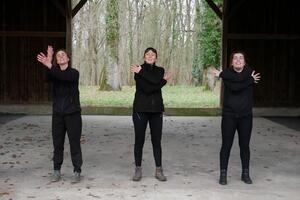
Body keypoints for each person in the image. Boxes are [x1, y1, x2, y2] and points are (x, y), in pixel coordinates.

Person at [212, 51, 260, 185]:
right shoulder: (228, 73)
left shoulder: (248, 72)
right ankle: (223, 173)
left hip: (245, 116)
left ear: (245, 62)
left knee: (244, 146)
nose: (238, 60)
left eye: (241, 58)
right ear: (232, 61)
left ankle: (245, 173)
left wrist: (222, 75)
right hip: (229, 115)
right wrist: (249, 81)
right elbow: (235, 87)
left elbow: (238, 83)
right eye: (235, 58)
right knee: (226, 145)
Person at [37, 46, 83, 183]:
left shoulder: (74, 73)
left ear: (68, 58)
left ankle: (77, 171)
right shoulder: (54, 72)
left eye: (63, 55)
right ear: (56, 60)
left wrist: (50, 64)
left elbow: (64, 76)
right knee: (57, 144)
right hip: (58, 114)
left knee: (74, 143)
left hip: (73, 114)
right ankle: (56, 170)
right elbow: (48, 77)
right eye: (58, 56)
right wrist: (49, 61)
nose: (61, 57)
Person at [130, 47, 171, 181]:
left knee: (156, 141)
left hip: (156, 111)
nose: (150, 56)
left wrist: (147, 75)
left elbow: (153, 81)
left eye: (153, 54)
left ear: (156, 57)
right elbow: (147, 88)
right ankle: (138, 169)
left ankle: (158, 170)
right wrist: (163, 81)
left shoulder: (160, 70)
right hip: (140, 110)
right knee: (139, 140)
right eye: (147, 54)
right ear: (144, 56)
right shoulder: (138, 69)